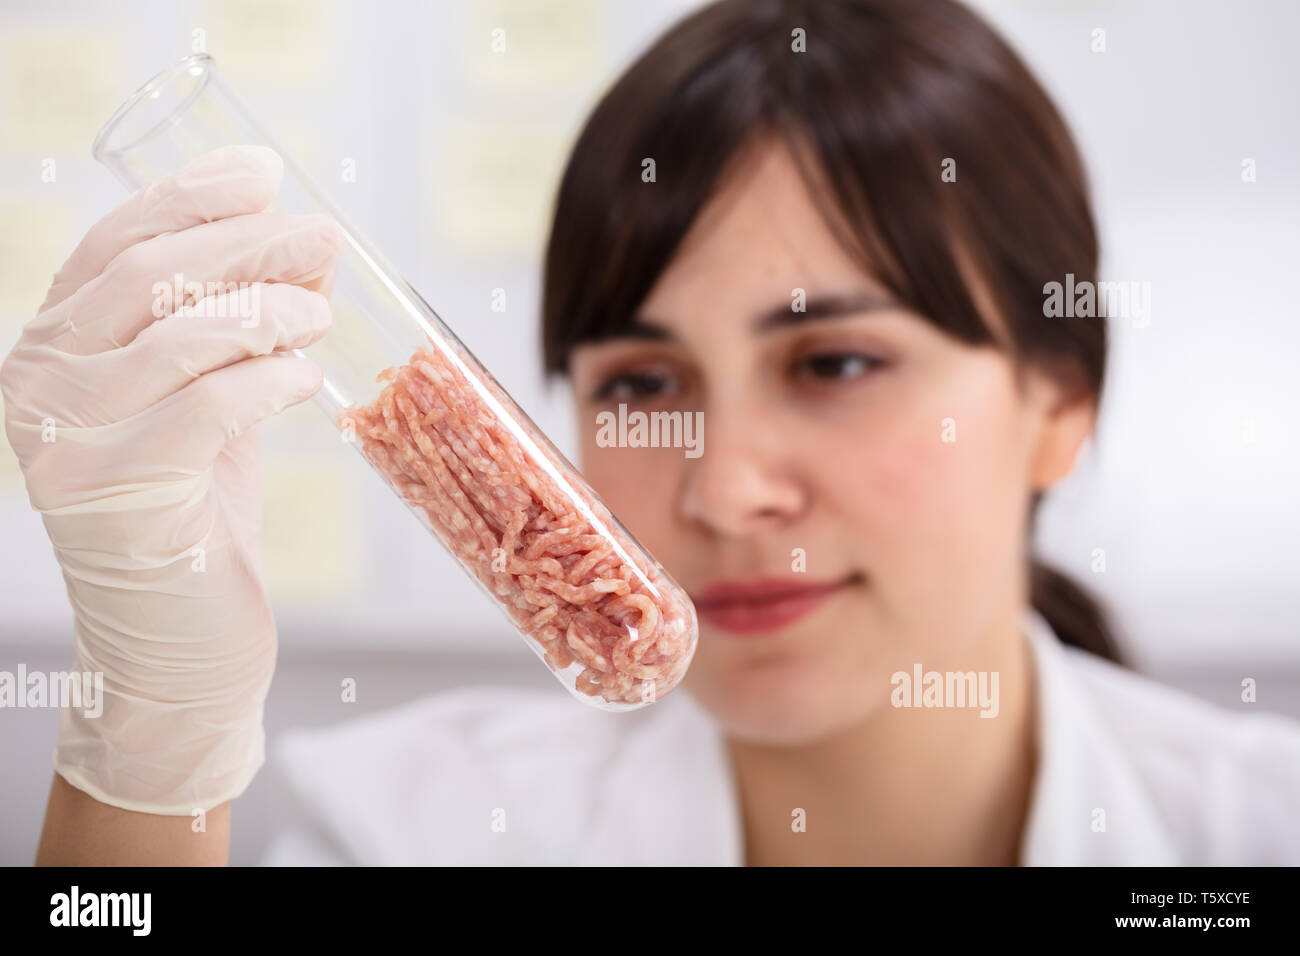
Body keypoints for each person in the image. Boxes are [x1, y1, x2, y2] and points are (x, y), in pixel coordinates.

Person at [8, 0, 1299, 866]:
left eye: (836, 361)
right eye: (639, 383)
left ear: (1059, 407)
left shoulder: (1252, 834)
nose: (728, 491)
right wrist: (148, 743)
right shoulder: (416, 832)